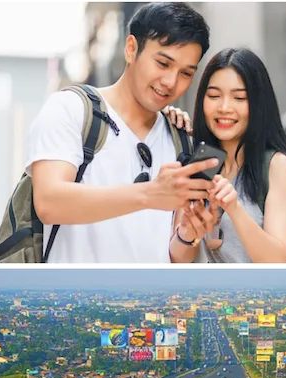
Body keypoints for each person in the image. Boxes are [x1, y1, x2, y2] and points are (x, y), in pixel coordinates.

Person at [27, 2, 219, 263]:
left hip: (154, 303)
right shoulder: (71, 108)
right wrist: (149, 194)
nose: (171, 82)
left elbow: (176, 257)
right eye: (163, 63)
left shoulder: (180, 139)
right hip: (76, 302)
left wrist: (187, 235)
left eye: (186, 73)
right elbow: (49, 203)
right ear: (131, 49)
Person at [166, 47, 286, 263]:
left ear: (258, 104)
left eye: (239, 98)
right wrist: (187, 233)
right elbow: (178, 260)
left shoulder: (277, 166)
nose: (224, 107)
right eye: (213, 95)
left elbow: (280, 263)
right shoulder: (200, 163)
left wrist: (234, 209)